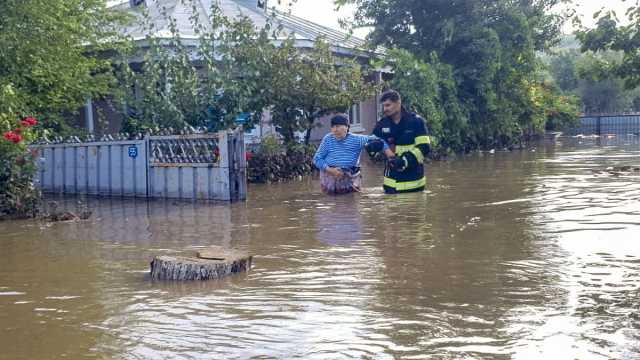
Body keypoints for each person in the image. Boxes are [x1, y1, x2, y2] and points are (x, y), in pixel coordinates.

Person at [366, 90, 432, 194]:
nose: (385, 109)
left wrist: (404, 161)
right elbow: (371, 150)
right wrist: (372, 148)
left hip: (414, 185)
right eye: (383, 106)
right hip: (390, 187)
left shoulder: (416, 122)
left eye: (388, 105)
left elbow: (424, 147)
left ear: (398, 103)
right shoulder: (382, 124)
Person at [313, 114, 389, 194]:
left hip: (350, 177)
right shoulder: (328, 139)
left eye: (338, 126)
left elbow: (380, 141)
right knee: (330, 200)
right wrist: (331, 170)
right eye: (333, 127)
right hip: (329, 177)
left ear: (347, 127)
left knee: (351, 199)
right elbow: (317, 159)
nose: (335, 130)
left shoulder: (357, 139)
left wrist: (390, 155)